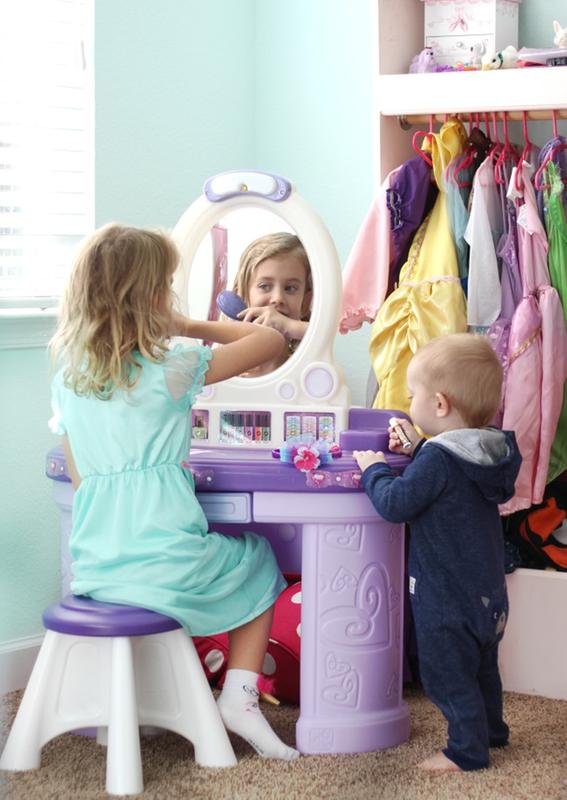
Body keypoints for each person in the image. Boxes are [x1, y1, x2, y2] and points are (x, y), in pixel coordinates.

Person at [49, 223, 299, 761]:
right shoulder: (172, 367)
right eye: (166, 287)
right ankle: (240, 698)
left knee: (203, 561)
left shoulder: (69, 376)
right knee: (258, 559)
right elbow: (272, 341)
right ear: (151, 300)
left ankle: (166, 697)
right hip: (166, 567)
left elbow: (77, 478)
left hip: (97, 568)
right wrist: (185, 325)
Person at [353, 333, 522, 772]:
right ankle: (492, 731)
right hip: (487, 595)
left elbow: (397, 505)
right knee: (483, 665)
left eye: (414, 396)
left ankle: (466, 751)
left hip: (445, 598)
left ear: (440, 405)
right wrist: (417, 447)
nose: (411, 403)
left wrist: (374, 471)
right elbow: (450, 478)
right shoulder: (485, 452)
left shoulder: (437, 463)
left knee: (446, 674)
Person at [231, 232, 312, 377]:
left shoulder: (309, 365)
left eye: (290, 288)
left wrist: (289, 326)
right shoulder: (229, 366)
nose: (277, 298)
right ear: (242, 297)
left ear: (305, 303)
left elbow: (326, 332)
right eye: (264, 286)